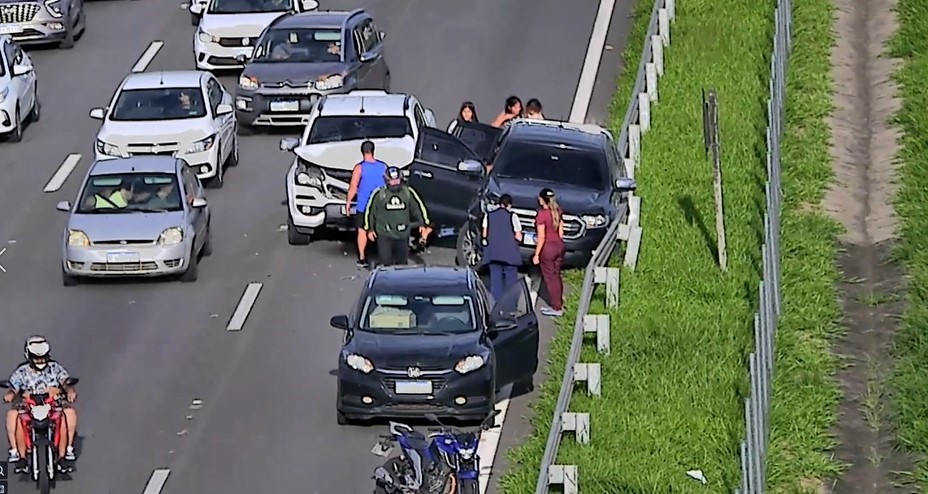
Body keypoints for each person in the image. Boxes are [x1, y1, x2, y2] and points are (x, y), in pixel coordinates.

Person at [4, 336, 78, 466]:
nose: (40, 361)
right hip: (29, 405)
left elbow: (65, 381)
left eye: (43, 357)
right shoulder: (22, 371)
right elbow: (14, 387)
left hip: (53, 404)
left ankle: (66, 450)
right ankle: (17, 452)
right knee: (13, 416)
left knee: (69, 413)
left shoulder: (54, 368)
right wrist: (10, 394)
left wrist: (69, 391)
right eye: (37, 358)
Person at [364, 166, 430, 267]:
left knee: (402, 264)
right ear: (387, 180)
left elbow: (418, 207)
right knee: (386, 262)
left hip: (403, 235)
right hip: (384, 234)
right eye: (392, 180)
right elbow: (370, 211)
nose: (395, 183)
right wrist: (369, 229)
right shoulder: (379, 193)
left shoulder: (407, 192)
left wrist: (423, 223)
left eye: (397, 180)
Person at [346, 140, 388, 268]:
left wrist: (348, 203)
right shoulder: (383, 166)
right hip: (380, 204)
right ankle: (383, 255)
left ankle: (362, 257)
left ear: (362, 152)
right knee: (381, 230)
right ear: (374, 151)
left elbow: (353, 187)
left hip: (363, 204)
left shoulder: (359, 168)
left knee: (362, 231)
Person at [482, 194, 523, 302]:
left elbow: (485, 234)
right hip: (510, 255)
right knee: (511, 283)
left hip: (494, 253)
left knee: (496, 283)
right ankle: (510, 306)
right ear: (509, 205)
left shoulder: (489, 215)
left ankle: (497, 306)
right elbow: (519, 236)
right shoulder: (512, 216)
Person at [533, 188, 565, 317]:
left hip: (548, 249)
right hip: (559, 246)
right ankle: (559, 302)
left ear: (542, 200)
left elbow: (541, 237)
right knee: (556, 275)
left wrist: (536, 254)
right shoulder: (557, 212)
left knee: (550, 279)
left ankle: (556, 307)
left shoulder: (542, 215)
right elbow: (561, 232)